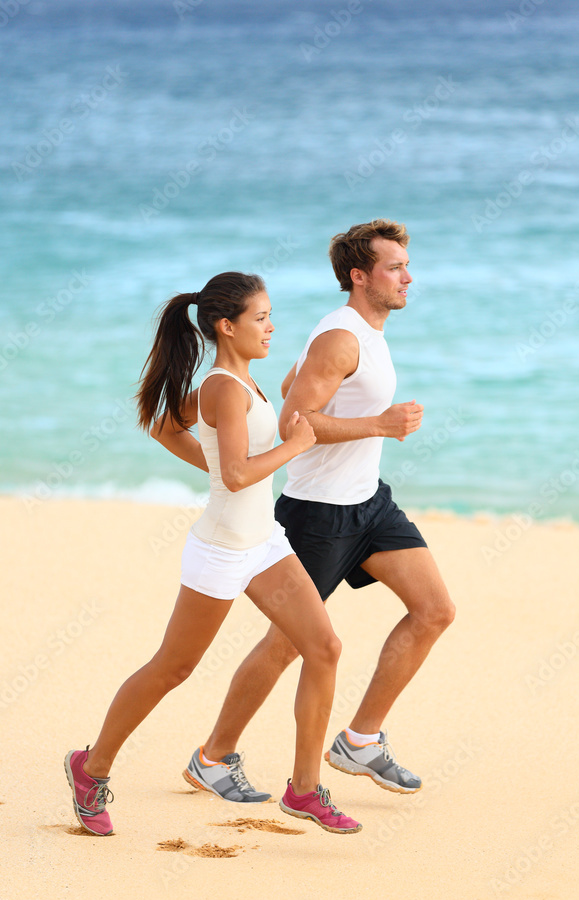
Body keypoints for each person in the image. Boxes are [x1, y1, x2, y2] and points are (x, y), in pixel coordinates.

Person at [64, 272, 362, 836]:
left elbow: (166, 426)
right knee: (172, 667)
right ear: (227, 326)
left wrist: (234, 474)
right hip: (223, 548)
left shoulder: (237, 384)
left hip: (264, 542)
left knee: (323, 647)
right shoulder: (223, 386)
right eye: (260, 318)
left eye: (271, 315)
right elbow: (235, 470)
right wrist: (292, 448)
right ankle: (91, 765)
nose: (272, 326)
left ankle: (303, 791)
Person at [183, 220, 456, 801]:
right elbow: (293, 423)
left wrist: (318, 388)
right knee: (288, 645)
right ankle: (212, 756)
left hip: (369, 504)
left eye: (407, 265)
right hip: (317, 513)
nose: (408, 276)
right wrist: (379, 424)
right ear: (359, 277)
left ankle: (359, 741)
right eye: (394, 267)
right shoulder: (341, 337)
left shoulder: (362, 332)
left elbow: (292, 387)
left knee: (434, 610)